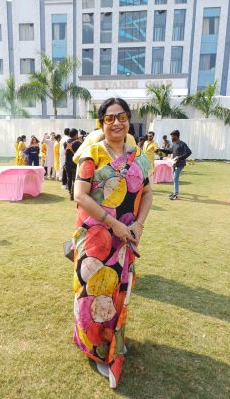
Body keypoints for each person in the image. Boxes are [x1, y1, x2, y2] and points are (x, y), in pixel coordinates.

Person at [73, 98, 152, 388]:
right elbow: (80, 195)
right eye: (109, 118)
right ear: (101, 123)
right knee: (93, 293)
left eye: (121, 117)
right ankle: (95, 349)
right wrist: (114, 224)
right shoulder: (91, 154)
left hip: (125, 239)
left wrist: (138, 225)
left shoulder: (140, 157)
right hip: (95, 237)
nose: (116, 122)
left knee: (118, 294)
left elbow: (148, 193)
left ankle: (111, 343)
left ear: (129, 120)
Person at [162, 129, 192, 200]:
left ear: (176, 136)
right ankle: (175, 192)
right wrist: (161, 150)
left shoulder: (182, 144)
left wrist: (179, 158)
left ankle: (176, 194)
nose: (171, 138)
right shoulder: (174, 144)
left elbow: (189, 152)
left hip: (180, 164)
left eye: (172, 136)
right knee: (175, 178)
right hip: (174, 164)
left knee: (175, 178)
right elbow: (170, 151)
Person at [64, 128, 81, 200]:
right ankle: (72, 195)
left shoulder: (66, 142)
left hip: (67, 163)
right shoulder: (78, 143)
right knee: (75, 180)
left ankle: (69, 193)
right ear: (76, 134)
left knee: (69, 178)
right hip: (74, 163)